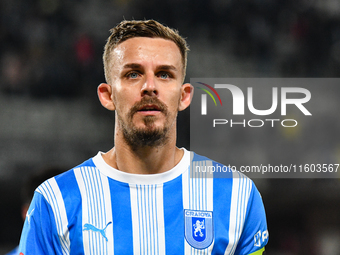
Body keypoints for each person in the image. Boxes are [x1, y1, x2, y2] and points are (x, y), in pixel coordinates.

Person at [18, 19, 268, 254]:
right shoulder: (56, 201)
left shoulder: (238, 195)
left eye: (164, 74)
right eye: (133, 74)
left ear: (184, 96)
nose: (150, 86)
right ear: (107, 95)